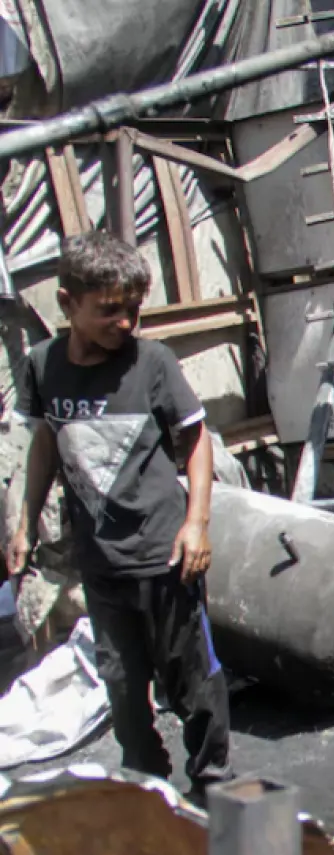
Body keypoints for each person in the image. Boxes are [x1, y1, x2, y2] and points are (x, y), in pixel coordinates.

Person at [6, 231, 230, 796]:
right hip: (101, 564)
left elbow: (197, 440)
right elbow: (45, 446)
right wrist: (24, 522)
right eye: (109, 310)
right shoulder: (41, 367)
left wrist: (196, 522)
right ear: (67, 304)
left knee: (194, 681)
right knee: (123, 685)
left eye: (133, 309)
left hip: (166, 557)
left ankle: (213, 783)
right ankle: (147, 787)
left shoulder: (151, 363)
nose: (125, 323)